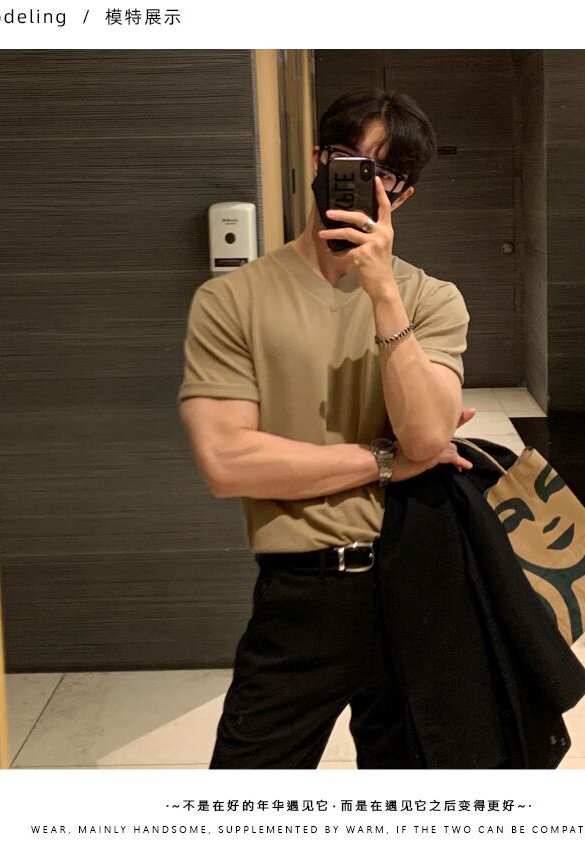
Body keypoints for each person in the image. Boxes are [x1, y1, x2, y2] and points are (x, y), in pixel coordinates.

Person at [177, 88, 474, 769]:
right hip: (303, 589)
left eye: (384, 171)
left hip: (418, 578)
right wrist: (383, 462)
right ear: (317, 161)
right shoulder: (231, 299)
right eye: (349, 159)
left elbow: (427, 439)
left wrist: (383, 291)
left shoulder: (432, 299)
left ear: (403, 194)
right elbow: (226, 462)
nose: (364, 180)